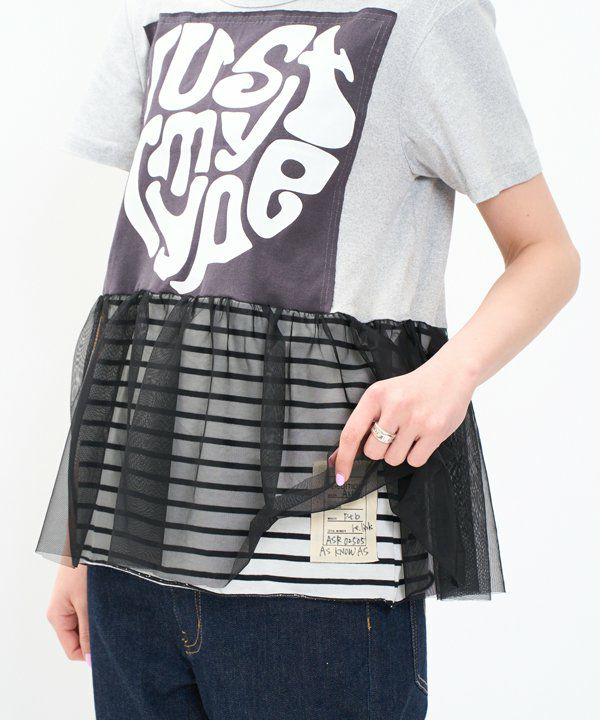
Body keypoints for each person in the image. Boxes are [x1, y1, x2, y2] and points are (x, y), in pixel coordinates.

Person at [38, 1, 580, 718]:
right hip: (131, 562)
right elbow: (142, 291)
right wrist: (80, 543)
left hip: (316, 583)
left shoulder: (430, 19)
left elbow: (547, 253)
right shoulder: (153, 11)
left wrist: (449, 376)